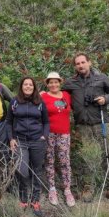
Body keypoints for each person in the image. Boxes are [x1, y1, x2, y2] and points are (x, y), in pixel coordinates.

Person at [63, 52, 109, 205]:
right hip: (83, 126)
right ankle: (88, 187)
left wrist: (105, 99)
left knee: (108, 154)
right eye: (77, 63)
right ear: (75, 66)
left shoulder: (101, 78)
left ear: (89, 63)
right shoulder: (71, 82)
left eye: (83, 62)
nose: (80, 65)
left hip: (101, 122)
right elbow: (59, 93)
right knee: (88, 157)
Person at [6, 77, 49, 217]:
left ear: (34, 87)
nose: (28, 86)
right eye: (26, 84)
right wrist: (11, 138)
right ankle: (23, 198)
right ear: (22, 86)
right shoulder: (14, 102)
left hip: (37, 140)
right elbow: (8, 122)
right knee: (22, 170)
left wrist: (44, 136)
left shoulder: (40, 102)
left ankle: (35, 201)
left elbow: (46, 122)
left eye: (31, 85)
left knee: (37, 171)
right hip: (20, 141)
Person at [41, 72, 75, 207]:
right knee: (49, 161)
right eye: (51, 82)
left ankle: (67, 189)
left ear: (60, 83)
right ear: (47, 84)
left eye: (56, 82)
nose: (53, 85)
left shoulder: (66, 95)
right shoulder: (43, 96)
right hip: (49, 133)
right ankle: (52, 189)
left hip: (64, 134)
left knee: (64, 161)